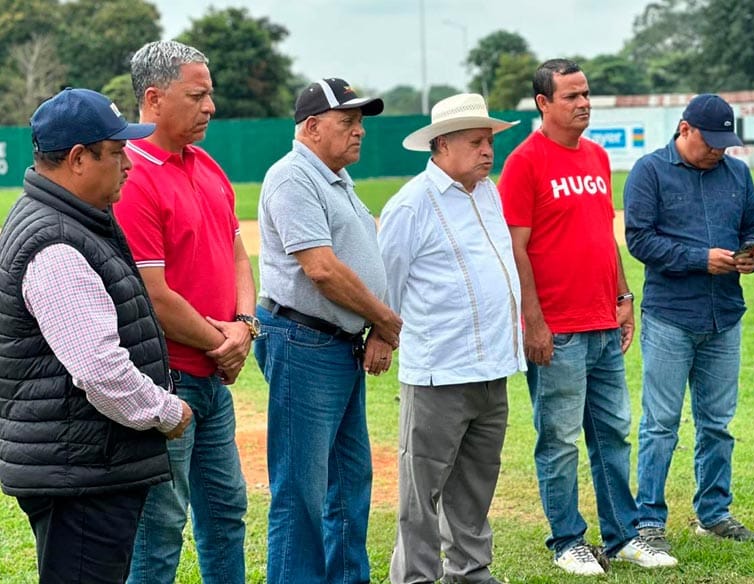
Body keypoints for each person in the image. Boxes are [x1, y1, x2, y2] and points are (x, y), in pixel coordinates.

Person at [0, 88, 192, 583]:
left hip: (81, 462)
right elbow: (100, 370)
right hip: (82, 472)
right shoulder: (57, 242)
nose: (129, 163)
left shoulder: (72, 221)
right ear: (79, 158)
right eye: (118, 151)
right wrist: (167, 412)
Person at [497, 59, 678, 576]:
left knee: (612, 433)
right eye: (571, 96)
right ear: (543, 104)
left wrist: (623, 297)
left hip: (601, 320)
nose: (583, 103)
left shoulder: (597, 157)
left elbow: (603, 236)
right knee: (558, 439)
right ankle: (567, 540)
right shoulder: (525, 162)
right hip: (557, 328)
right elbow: (517, 248)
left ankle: (622, 536)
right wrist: (533, 322)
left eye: (585, 94)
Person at [114, 41, 254, 584]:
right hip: (166, 380)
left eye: (210, 94)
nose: (210, 107)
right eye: (197, 95)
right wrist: (225, 342)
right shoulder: (133, 176)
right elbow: (153, 293)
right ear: (154, 98)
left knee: (226, 514)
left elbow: (238, 251)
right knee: (159, 529)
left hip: (212, 380)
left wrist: (243, 326)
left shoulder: (205, 163)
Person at [255, 77, 402, 584]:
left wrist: (376, 327)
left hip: (335, 345)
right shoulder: (293, 177)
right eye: (348, 122)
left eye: (360, 122)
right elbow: (320, 268)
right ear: (313, 127)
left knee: (348, 480)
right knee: (302, 491)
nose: (359, 131)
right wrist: (384, 319)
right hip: (303, 343)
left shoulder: (334, 178)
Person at [377, 93, 526, 584]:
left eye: (490, 142)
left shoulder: (488, 192)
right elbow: (387, 285)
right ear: (441, 145)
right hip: (439, 370)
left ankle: (469, 569)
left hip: (492, 367)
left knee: (477, 480)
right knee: (422, 491)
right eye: (477, 142)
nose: (489, 151)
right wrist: (385, 336)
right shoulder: (411, 205)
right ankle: (416, 577)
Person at [624, 93, 754, 551]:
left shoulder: (737, 174)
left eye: (726, 143)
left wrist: (753, 254)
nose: (719, 151)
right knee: (660, 424)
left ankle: (714, 513)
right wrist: (698, 260)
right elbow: (639, 240)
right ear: (685, 129)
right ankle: (648, 521)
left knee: (718, 423)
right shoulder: (649, 171)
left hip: (724, 316)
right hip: (670, 317)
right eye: (711, 142)